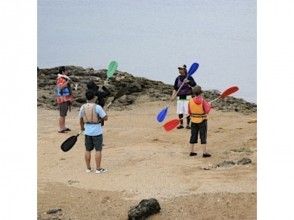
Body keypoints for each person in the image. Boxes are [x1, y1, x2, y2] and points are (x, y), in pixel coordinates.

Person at [79, 90, 108, 174]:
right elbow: (105, 118)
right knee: (98, 150)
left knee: (87, 150)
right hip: (97, 131)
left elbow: (81, 119)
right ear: (94, 98)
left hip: (87, 131)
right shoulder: (98, 107)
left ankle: (88, 168)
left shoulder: (82, 107)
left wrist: (82, 128)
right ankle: (98, 169)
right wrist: (103, 114)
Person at [188, 86, 212, 157]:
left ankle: (191, 151)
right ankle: (204, 153)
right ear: (201, 93)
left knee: (193, 135)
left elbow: (189, 112)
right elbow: (207, 111)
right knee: (203, 136)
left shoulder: (190, 100)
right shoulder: (203, 101)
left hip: (193, 120)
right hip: (202, 120)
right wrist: (209, 105)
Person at [172, 65, 197, 129]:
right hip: (180, 96)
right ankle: (181, 124)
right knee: (180, 111)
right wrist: (173, 96)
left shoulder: (189, 77)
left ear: (184, 70)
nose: (180, 70)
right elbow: (175, 88)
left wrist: (188, 81)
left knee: (187, 111)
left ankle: (188, 125)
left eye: (181, 69)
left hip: (188, 96)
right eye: (179, 69)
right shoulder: (177, 78)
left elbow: (194, 84)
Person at [56, 66, 74, 133]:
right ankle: (61, 128)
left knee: (64, 114)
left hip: (65, 99)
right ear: (63, 72)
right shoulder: (60, 78)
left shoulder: (64, 78)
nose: (67, 72)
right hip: (62, 99)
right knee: (62, 114)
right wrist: (67, 82)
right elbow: (60, 87)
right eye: (66, 70)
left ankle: (63, 127)